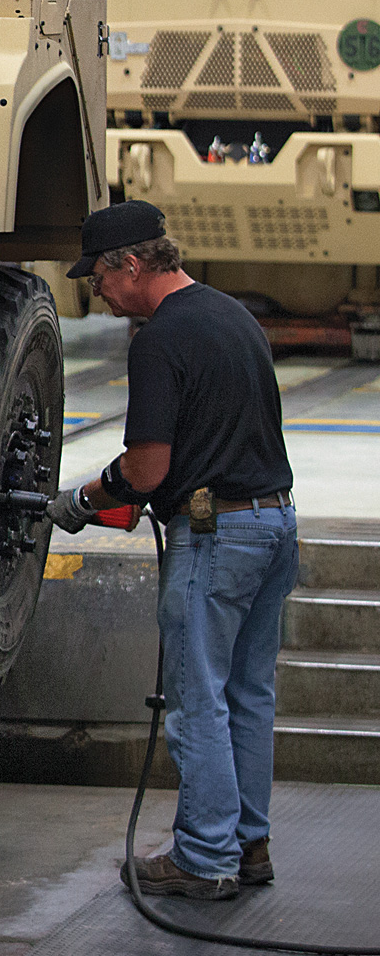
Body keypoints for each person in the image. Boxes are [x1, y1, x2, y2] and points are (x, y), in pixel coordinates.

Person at [46, 201, 297, 902]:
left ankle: (204, 856)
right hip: (275, 521)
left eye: (98, 276)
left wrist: (85, 498)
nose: (98, 291)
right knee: (248, 694)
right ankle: (249, 847)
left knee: (198, 700)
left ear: (130, 264)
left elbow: (150, 468)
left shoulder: (158, 341)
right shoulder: (232, 315)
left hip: (216, 539)